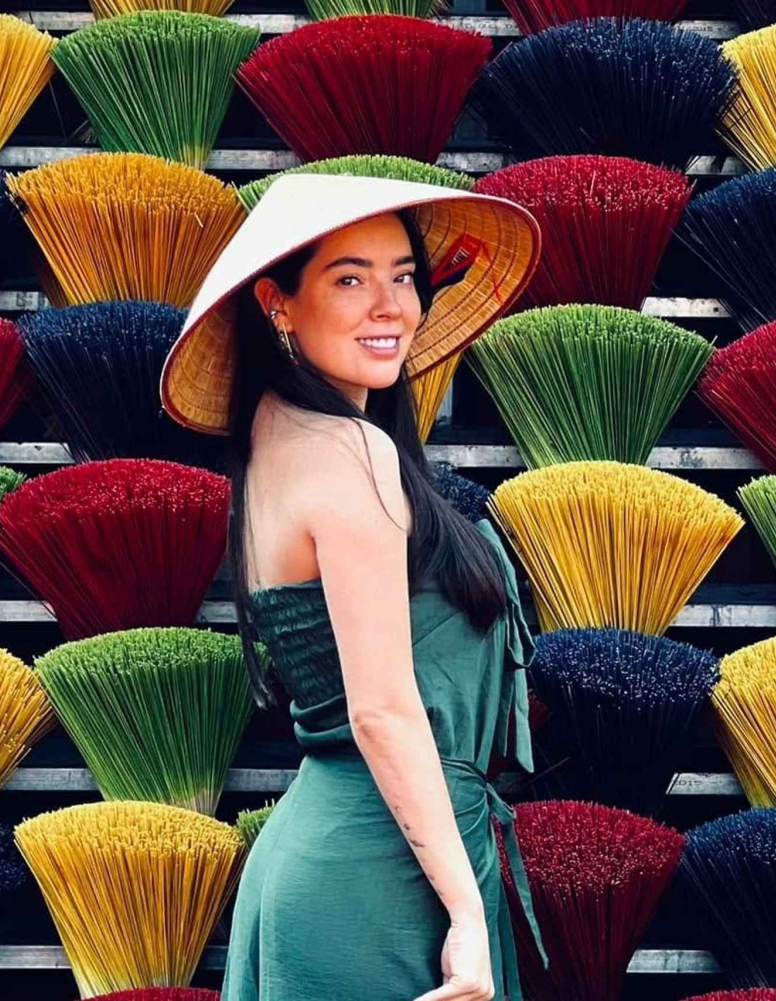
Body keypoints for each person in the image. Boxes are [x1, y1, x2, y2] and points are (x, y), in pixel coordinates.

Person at [159, 173, 547, 1001]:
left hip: (340, 854)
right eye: (349, 278)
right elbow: (381, 710)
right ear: (279, 305)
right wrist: (467, 913)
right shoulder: (348, 452)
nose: (389, 306)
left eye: (403, 276)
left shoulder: (273, 442)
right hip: (383, 880)